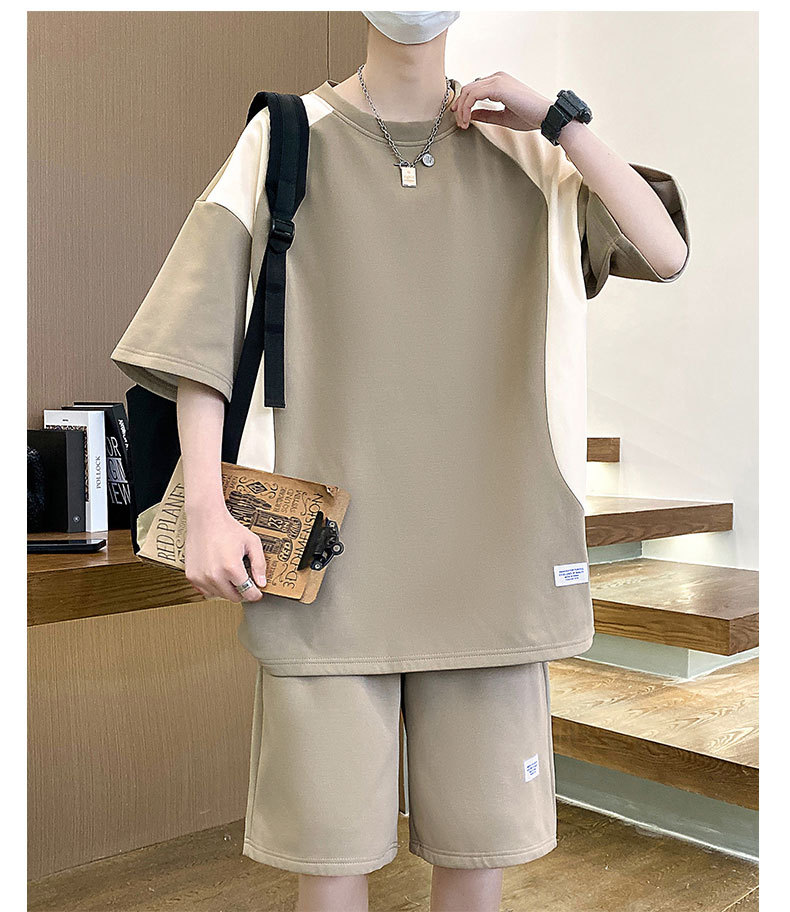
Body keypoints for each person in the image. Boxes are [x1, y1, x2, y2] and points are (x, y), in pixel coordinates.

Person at [111, 10, 689, 912]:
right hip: (326, 575)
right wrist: (211, 512)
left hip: (492, 563)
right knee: (330, 862)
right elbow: (199, 342)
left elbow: (665, 250)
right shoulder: (284, 136)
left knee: (477, 854)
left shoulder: (533, 153)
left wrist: (558, 119)